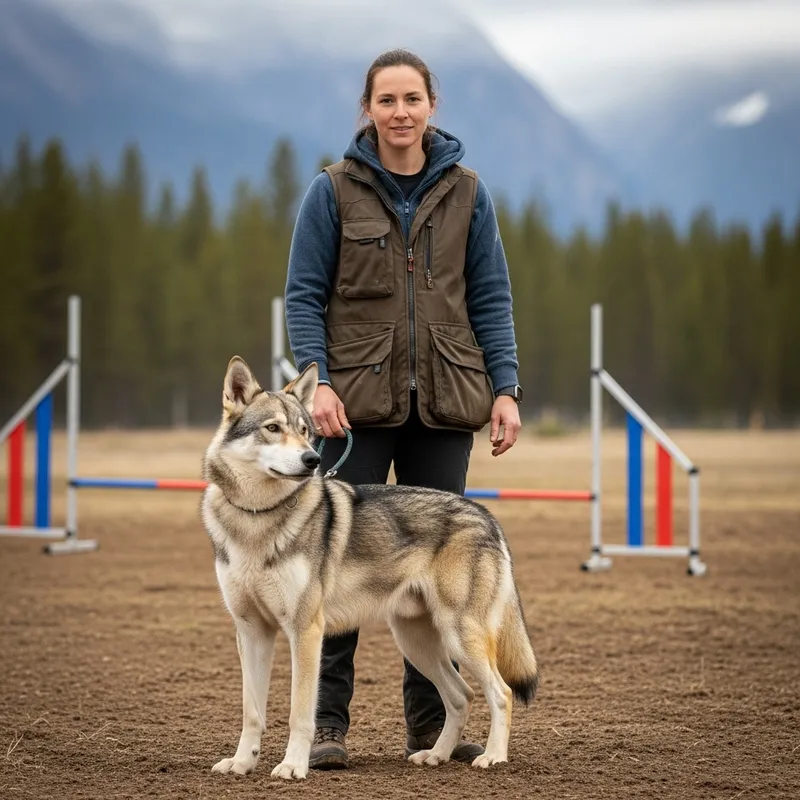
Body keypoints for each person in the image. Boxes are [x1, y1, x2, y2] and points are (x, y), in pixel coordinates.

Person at [284, 48, 523, 769]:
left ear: (431, 106)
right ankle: (328, 727)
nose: (400, 112)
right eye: (386, 100)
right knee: (332, 570)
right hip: (349, 407)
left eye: (412, 98)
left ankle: (430, 728)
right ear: (368, 110)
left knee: (432, 580)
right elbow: (303, 297)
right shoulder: (330, 191)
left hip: (447, 403)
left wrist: (505, 387)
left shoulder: (469, 193)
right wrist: (316, 382)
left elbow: (490, 298)